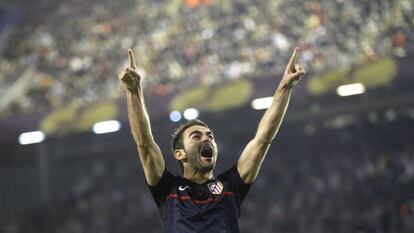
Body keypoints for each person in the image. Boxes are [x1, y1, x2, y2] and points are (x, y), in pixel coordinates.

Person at [118, 47, 305, 233]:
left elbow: (262, 139)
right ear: (179, 153)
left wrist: (284, 87)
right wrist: (134, 92)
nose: (206, 139)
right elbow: (144, 143)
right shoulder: (168, 189)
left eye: (210, 136)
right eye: (196, 136)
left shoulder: (230, 186)